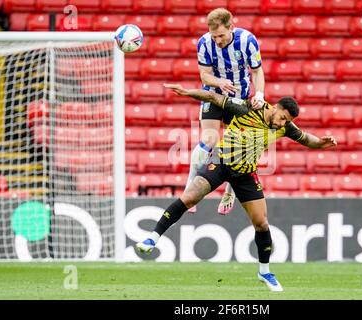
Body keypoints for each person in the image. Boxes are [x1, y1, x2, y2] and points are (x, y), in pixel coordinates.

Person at [136, 84, 337, 292]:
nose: (283, 123)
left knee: (262, 223)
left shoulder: (285, 128)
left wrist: (322, 143)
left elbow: (307, 139)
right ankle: (153, 237)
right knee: (190, 198)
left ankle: (264, 272)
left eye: (288, 121)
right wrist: (187, 92)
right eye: (283, 117)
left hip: (245, 175)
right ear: (275, 107)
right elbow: (213, 97)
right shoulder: (249, 108)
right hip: (221, 163)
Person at [186, 8, 266, 215]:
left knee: (237, 147)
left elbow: (257, 71)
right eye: (215, 36)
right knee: (209, 139)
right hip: (214, 95)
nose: (218, 40)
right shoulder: (204, 43)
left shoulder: (247, 40)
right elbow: (204, 76)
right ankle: (190, 188)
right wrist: (219, 82)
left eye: (221, 35)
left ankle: (229, 193)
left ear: (232, 27)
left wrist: (260, 94)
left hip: (240, 98)